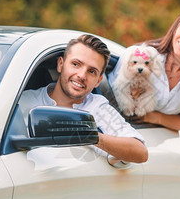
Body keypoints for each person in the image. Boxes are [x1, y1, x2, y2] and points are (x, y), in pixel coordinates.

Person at [18, 34, 148, 163]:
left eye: (92, 71)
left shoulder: (97, 108)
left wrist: (91, 136)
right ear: (60, 65)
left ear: (98, 81)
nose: (81, 75)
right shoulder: (22, 101)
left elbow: (140, 152)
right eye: (75, 64)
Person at [109, 4, 180, 132]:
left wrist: (153, 117)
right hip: (115, 128)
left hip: (157, 141)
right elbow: (111, 96)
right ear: (176, 28)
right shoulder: (138, 56)